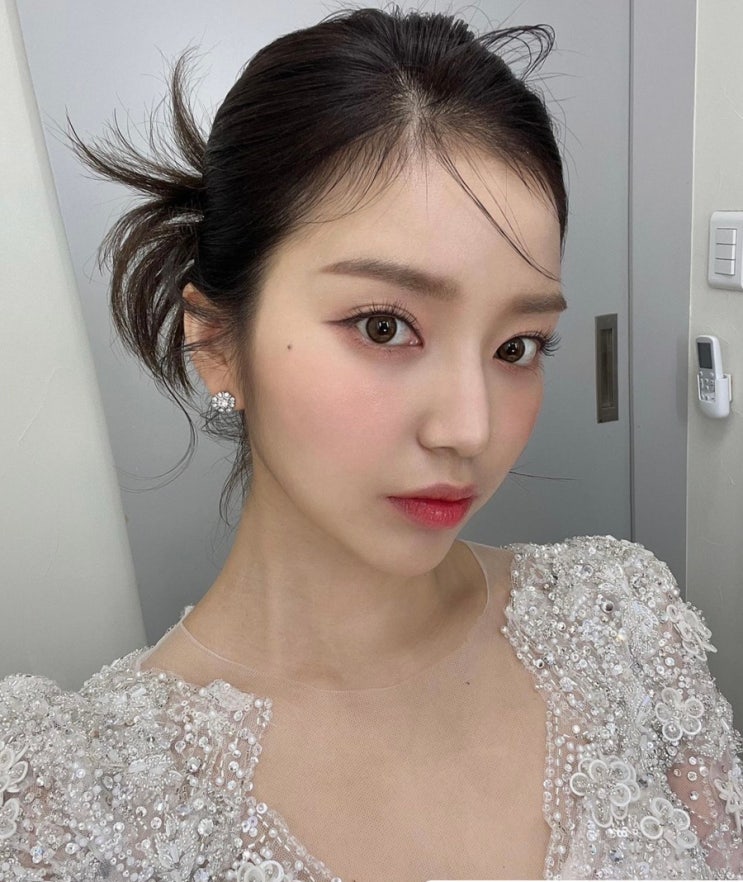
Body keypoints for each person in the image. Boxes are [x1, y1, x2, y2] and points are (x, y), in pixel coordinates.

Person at [1, 6, 741, 881]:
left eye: (516, 346)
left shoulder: (623, 623)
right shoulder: (72, 805)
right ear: (215, 340)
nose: (468, 429)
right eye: (383, 326)